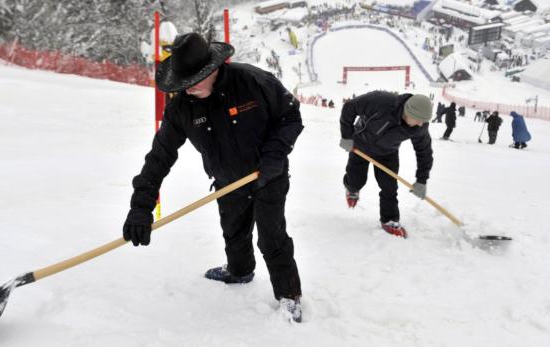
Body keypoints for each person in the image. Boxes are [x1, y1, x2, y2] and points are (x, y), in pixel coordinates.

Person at [121, 33, 304, 322]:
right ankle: (240, 271)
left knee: (272, 238)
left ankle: (289, 295)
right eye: (183, 83)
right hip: (227, 181)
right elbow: (159, 157)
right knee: (234, 232)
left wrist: (274, 155)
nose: (188, 89)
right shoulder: (181, 107)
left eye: (194, 81)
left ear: (213, 69)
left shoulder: (253, 81)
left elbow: (291, 116)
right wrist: (140, 207)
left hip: (268, 176)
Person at [339, 92, 434, 238]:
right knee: (356, 180)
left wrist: (422, 180)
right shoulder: (381, 101)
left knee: (389, 187)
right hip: (360, 146)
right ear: (408, 111)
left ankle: (389, 219)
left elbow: (424, 151)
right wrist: (346, 136)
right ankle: (351, 189)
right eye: (419, 120)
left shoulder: (419, 127)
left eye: (424, 121)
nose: (421, 124)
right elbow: (349, 107)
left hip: (387, 152)